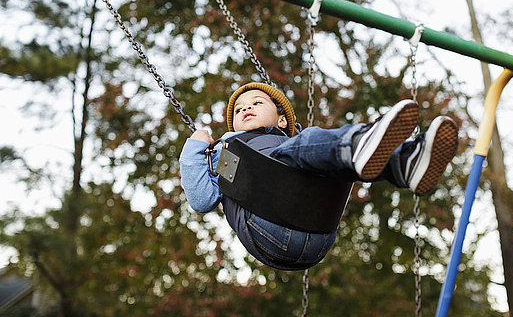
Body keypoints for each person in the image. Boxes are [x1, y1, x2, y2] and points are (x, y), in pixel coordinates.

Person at [179, 82, 458, 271]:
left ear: (281, 120)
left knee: (318, 155)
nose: (245, 109)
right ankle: (364, 145)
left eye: (256, 102)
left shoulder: (292, 145)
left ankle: (405, 163)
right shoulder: (227, 151)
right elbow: (201, 200)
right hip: (267, 228)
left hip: (316, 231)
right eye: (238, 110)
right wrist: (195, 147)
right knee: (310, 145)